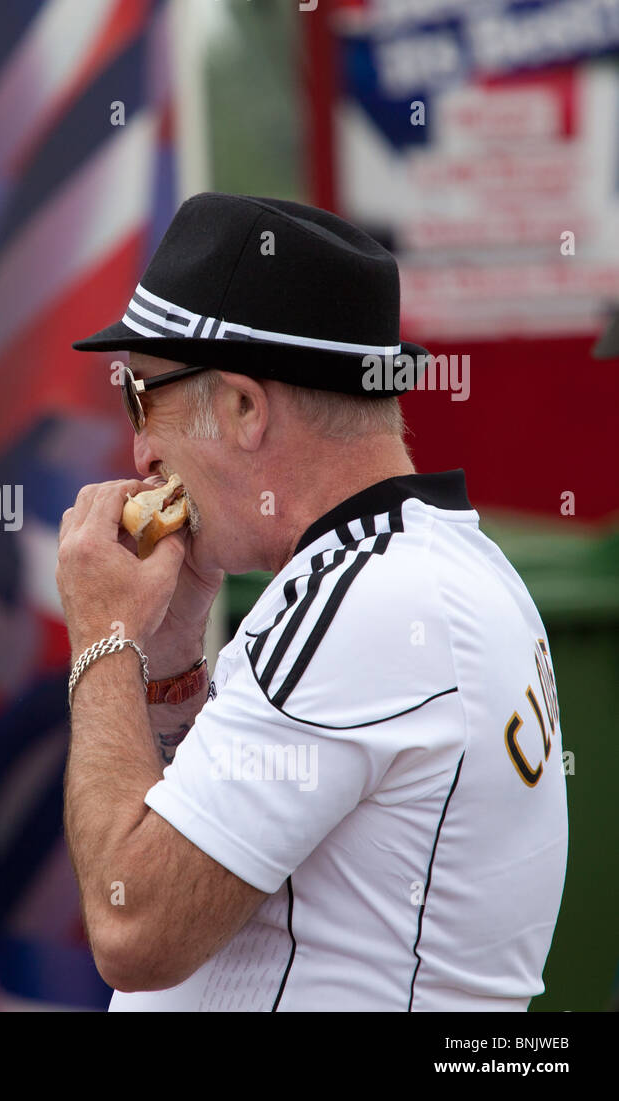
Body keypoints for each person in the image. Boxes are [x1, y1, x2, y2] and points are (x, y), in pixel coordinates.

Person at [58, 192, 568, 1011]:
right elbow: (207, 825)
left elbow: (134, 924)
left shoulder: (367, 603)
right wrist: (173, 648)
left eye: (143, 397)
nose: (141, 449)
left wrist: (102, 636)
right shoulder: (419, 569)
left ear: (243, 407)